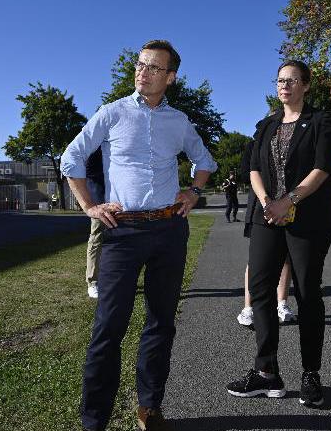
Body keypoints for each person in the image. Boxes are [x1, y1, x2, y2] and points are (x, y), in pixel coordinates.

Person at [61, 40, 218, 431]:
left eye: (153, 67)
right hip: (122, 230)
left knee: (161, 323)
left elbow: (204, 161)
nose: (143, 73)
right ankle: (94, 421)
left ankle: (150, 407)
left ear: (170, 77)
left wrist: (193, 192)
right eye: (140, 65)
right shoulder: (112, 113)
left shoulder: (179, 121)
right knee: (108, 327)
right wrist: (90, 206)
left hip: (169, 230)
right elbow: (71, 158)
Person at [227, 60, 331, 408]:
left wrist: (287, 201)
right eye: (280, 81)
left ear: (306, 85)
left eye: (291, 80)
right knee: (260, 288)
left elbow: (322, 168)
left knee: (307, 292)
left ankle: (311, 374)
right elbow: (253, 168)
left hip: (308, 218)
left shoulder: (322, 122)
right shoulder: (266, 125)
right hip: (266, 216)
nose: (284, 86)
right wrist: (267, 203)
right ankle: (267, 373)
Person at [235, 137, 297, 327]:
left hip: (289, 206)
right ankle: (248, 308)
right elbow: (246, 174)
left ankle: (282, 304)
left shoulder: (294, 140)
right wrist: (267, 198)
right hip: (260, 205)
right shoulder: (255, 144)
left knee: (286, 257)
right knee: (256, 260)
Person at [85, 147, 105, 299]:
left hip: (119, 196)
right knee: (97, 237)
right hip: (99, 197)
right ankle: (92, 282)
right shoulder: (94, 142)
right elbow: (89, 170)